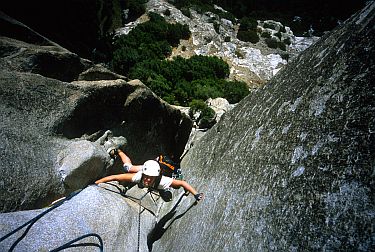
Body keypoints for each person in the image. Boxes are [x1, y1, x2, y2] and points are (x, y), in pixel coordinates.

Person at [95, 149, 204, 202]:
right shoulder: (139, 176)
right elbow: (115, 177)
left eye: (150, 179)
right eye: (146, 177)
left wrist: (196, 194)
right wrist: (97, 183)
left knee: (176, 186)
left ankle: (162, 190)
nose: (147, 180)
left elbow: (182, 183)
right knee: (128, 168)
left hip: (155, 171)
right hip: (147, 168)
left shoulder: (162, 181)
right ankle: (118, 151)